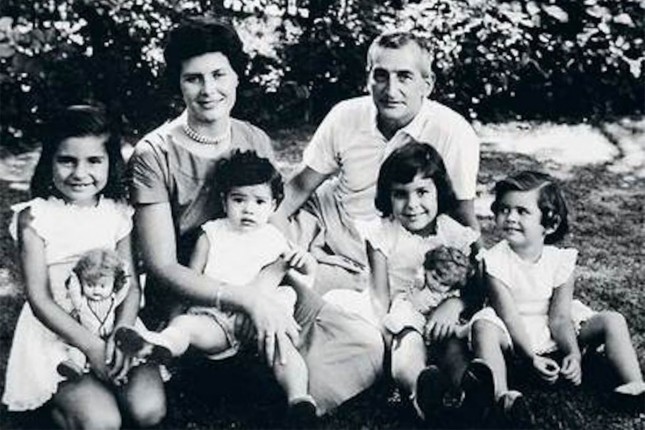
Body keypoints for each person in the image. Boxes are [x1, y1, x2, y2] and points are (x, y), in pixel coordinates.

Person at [127, 17, 383, 415]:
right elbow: (162, 267)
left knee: (362, 343)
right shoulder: (154, 153)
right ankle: (230, 369)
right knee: (219, 360)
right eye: (193, 78)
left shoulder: (253, 138)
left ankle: (290, 391)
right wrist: (246, 299)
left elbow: (271, 225)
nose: (209, 90)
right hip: (196, 294)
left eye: (219, 74)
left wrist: (278, 277)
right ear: (177, 83)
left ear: (236, 76)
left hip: (262, 277)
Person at [273, 30, 480, 295]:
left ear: (427, 84)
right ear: (368, 79)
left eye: (404, 76)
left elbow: (462, 215)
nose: (391, 90)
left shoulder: (453, 132)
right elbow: (299, 187)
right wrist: (280, 240)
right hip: (328, 224)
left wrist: (475, 290)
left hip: (393, 251)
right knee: (259, 246)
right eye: (381, 76)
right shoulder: (346, 115)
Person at [118, 150, 318, 423]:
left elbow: (302, 275)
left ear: (273, 206)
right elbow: (191, 280)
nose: (248, 209)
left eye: (259, 202)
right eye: (239, 200)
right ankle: (161, 345)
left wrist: (305, 262)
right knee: (186, 327)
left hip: (262, 322)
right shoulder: (211, 234)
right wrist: (176, 317)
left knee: (284, 351)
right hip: (216, 318)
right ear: (224, 201)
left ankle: (299, 399)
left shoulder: (274, 238)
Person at [1, 105, 166, 429]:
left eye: (93, 160)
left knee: (149, 411)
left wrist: (122, 334)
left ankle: (108, 383)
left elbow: (131, 285)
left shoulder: (117, 212)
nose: (80, 173)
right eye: (67, 160)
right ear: (49, 161)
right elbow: (39, 299)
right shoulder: (34, 218)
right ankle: (65, 405)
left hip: (112, 323)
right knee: (102, 423)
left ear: (110, 162)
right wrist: (92, 348)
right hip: (58, 334)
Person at [469, 170, 645, 425]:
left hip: (551, 326)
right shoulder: (494, 260)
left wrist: (573, 353)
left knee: (612, 320)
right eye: (504, 209)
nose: (510, 217)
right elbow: (509, 316)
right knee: (483, 327)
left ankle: (633, 385)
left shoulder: (559, 260)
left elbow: (560, 317)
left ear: (549, 224)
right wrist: (531, 358)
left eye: (522, 211)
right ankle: (501, 397)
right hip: (511, 330)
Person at [361, 141, 493, 425]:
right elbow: (379, 295)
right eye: (400, 194)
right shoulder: (382, 235)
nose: (412, 205)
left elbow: (477, 289)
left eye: (422, 192)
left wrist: (454, 305)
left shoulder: (455, 233)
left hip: (444, 313)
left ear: (439, 191)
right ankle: (420, 392)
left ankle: (471, 393)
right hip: (404, 309)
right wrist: (387, 334)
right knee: (407, 343)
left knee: (454, 348)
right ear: (387, 195)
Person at [57, 248, 141, 380]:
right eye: (90, 285)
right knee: (76, 352)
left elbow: (124, 290)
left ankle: (119, 375)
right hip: (86, 336)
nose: (96, 291)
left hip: (109, 334)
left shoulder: (113, 300)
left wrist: (124, 271)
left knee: (115, 353)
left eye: (102, 286)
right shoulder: (82, 303)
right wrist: (74, 277)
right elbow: (74, 290)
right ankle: (75, 367)